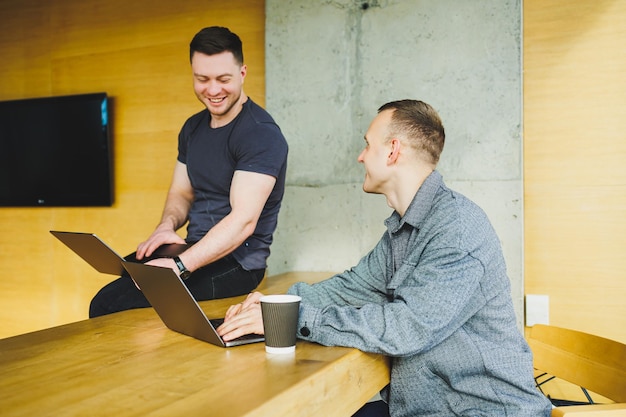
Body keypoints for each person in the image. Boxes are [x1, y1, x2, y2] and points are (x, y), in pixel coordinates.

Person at [217, 100, 552, 417]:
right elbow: (353, 287)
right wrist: (275, 305)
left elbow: (407, 329)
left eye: (367, 144)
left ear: (392, 151)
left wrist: (293, 319)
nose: (361, 157)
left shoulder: (457, 230)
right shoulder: (406, 229)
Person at [89, 26, 288, 318]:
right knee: (126, 273)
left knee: (108, 304)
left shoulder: (260, 135)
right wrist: (166, 227)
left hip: (238, 263)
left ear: (243, 73)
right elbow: (181, 192)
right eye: (202, 79)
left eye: (224, 79)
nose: (213, 90)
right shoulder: (192, 128)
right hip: (194, 246)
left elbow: (243, 221)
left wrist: (179, 266)